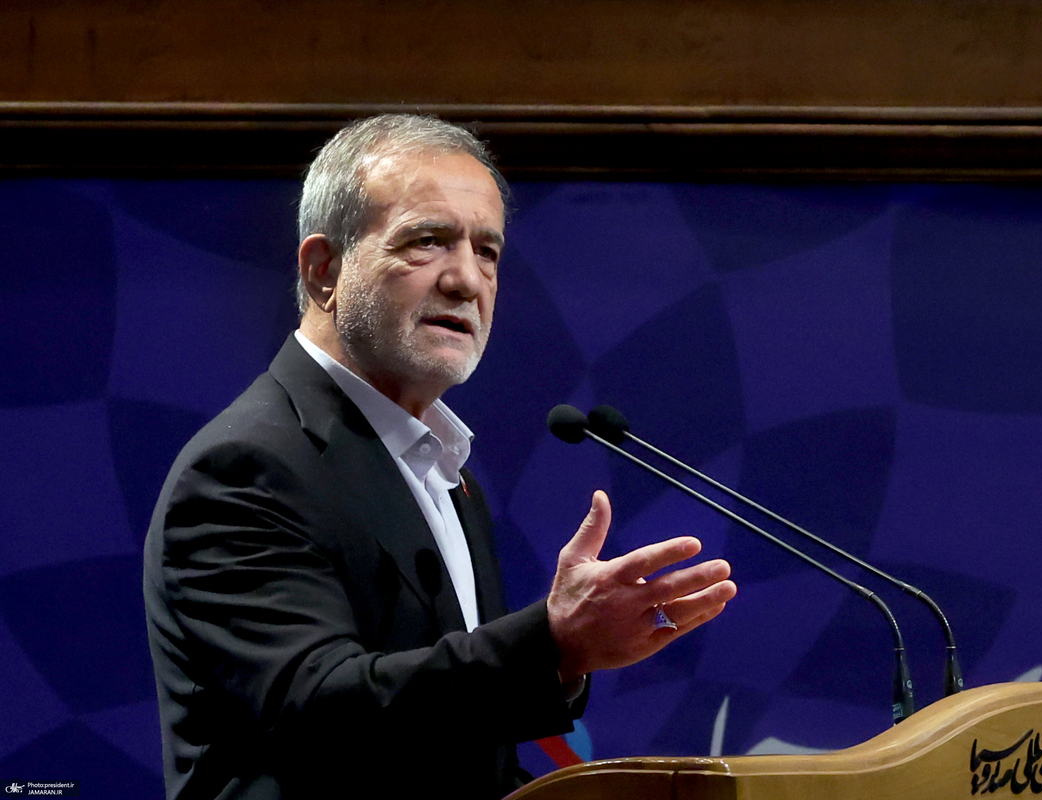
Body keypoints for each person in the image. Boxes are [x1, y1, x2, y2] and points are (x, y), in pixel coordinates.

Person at [143, 114, 737, 800]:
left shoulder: (442, 471)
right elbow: (319, 711)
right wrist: (552, 644)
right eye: (427, 241)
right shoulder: (246, 469)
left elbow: (454, 756)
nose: (466, 280)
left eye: (487, 251)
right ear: (324, 269)